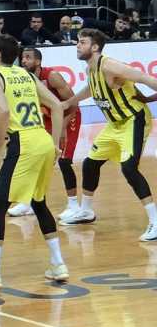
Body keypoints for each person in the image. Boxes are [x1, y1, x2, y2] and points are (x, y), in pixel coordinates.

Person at [0, 35, 68, 292]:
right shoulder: (27, 75)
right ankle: (58, 264)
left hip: (23, 144)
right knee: (38, 201)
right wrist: (54, 143)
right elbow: (56, 105)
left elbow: (3, 112)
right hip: (41, 139)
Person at [59, 29, 157, 240]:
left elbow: (142, 77)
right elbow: (91, 88)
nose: (77, 45)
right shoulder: (90, 68)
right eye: (78, 42)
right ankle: (86, 211)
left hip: (133, 120)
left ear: (94, 47)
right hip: (114, 125)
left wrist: (150, 94)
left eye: (82, 42)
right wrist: (70, 101)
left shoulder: (110, 65)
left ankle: (155, 221)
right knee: (90, 163)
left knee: (129, 168)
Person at [10, 48, 82, 220]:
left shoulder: (52, 76)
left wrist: (63, 127)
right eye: (22, 58)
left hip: (68, 117)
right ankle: (29, 202)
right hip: (47, 119)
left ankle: (74, 206)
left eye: (28, 58)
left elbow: (73, 103)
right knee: (37, 160)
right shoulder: (22, 78)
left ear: (38, 62)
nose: (24, 61)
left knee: (64, 161)